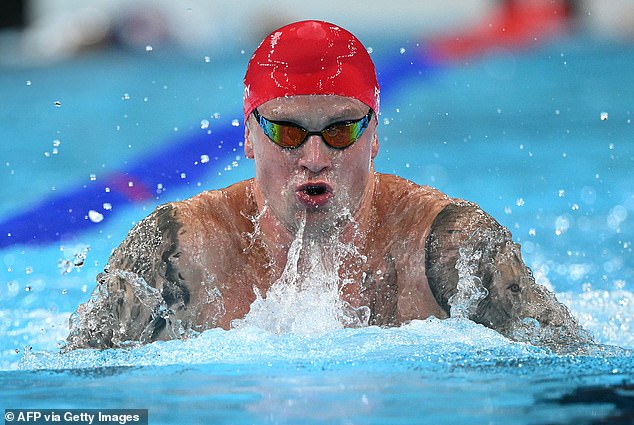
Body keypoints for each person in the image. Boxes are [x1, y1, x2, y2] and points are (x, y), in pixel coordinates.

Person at [65, 20, 590, 351]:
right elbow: (67, 391)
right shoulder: (175, 249)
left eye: (340, 130)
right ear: (248, 137)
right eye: (288, 131)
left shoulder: (450, 249)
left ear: (375, 135)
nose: (314, 158)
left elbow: (581, 373)